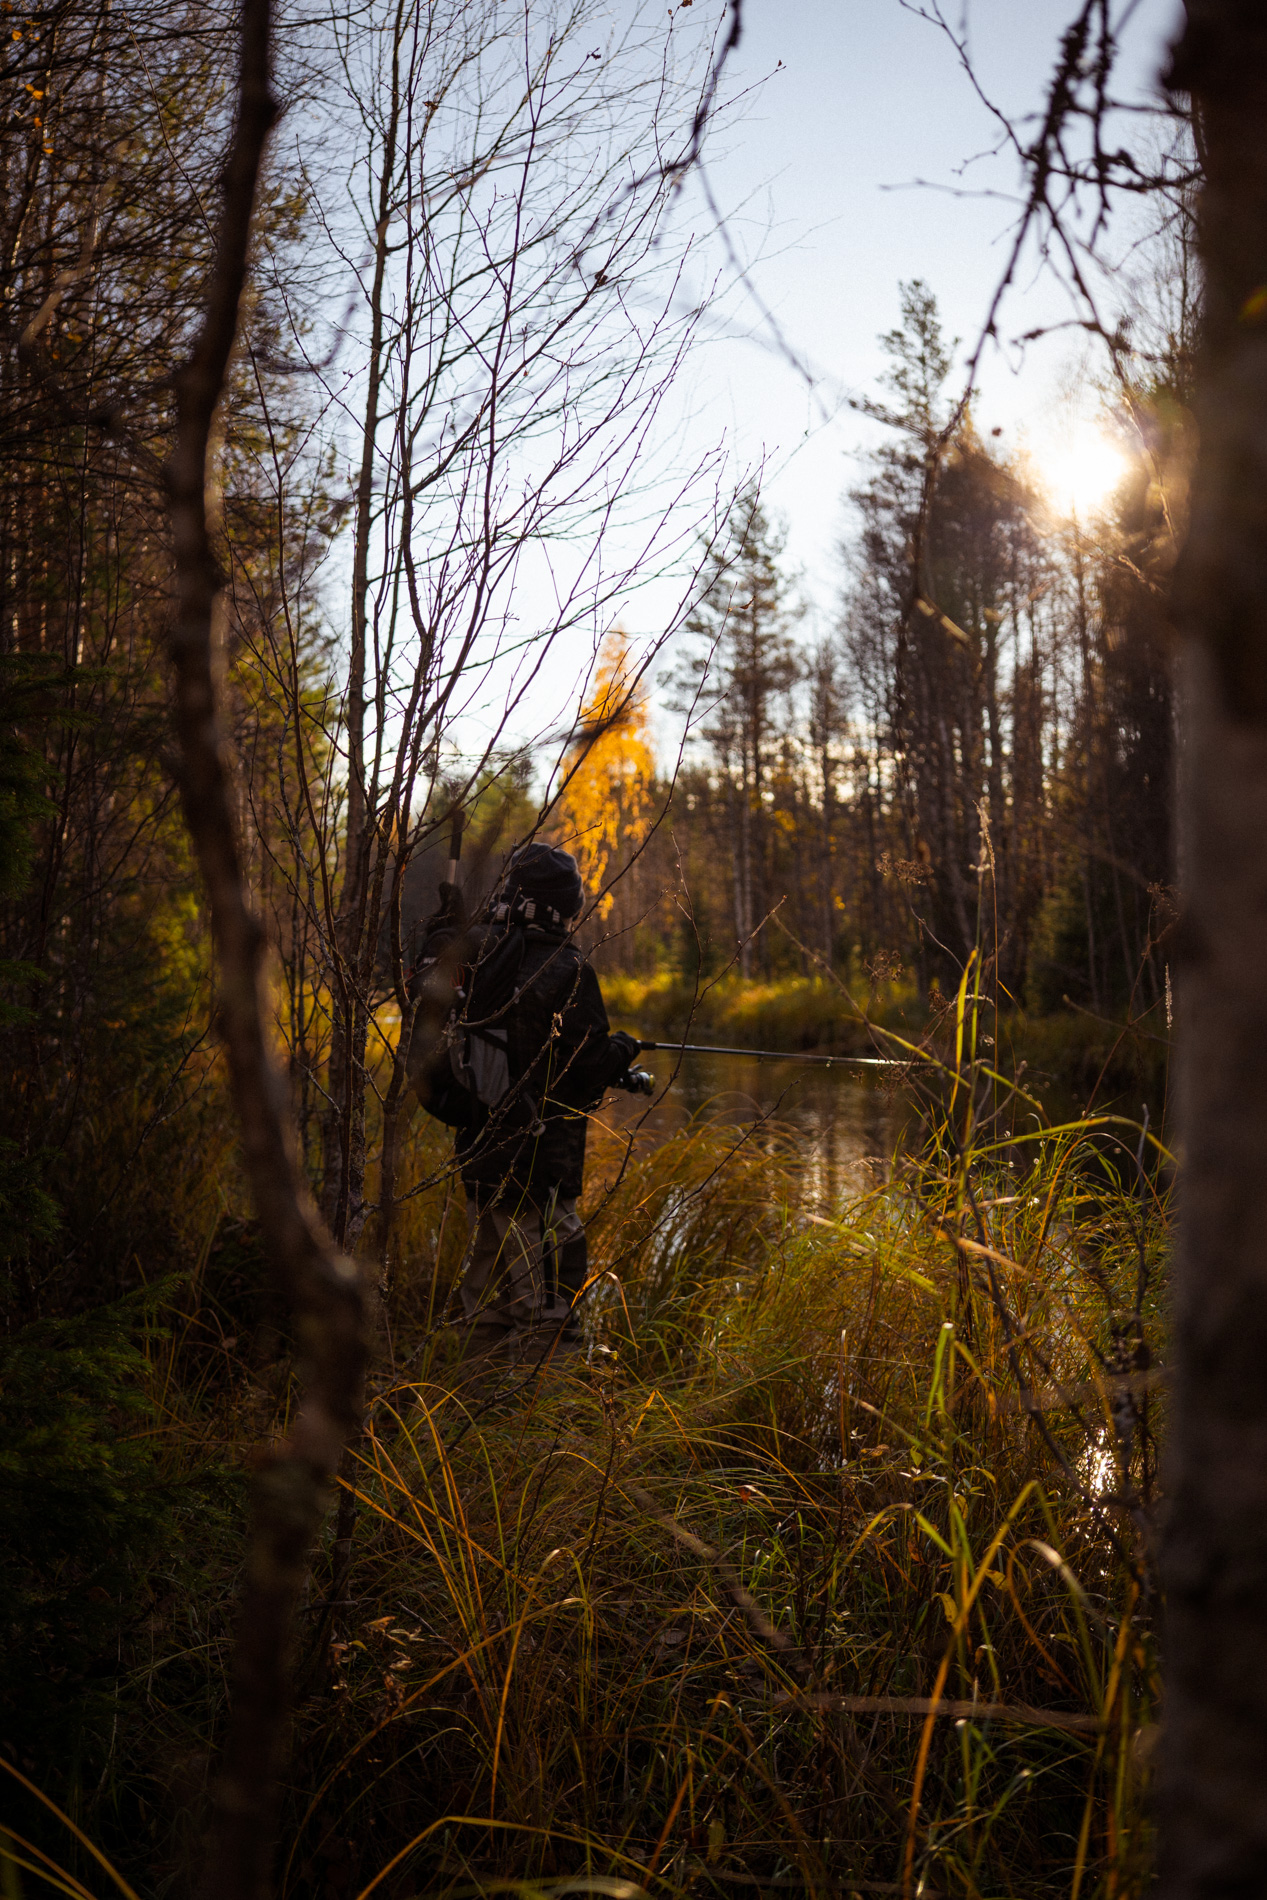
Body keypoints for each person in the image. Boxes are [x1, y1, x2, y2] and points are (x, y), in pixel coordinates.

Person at [407, 841, 651, 1360]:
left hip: (481, 1156)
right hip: (542, 1164)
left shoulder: (473, 953)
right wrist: (623, 1050)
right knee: (548, 1298)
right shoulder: (565, 967)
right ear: (565, 906)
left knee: (488, 1288)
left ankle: (472, 1404)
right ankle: (542, 1424)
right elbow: (585, 1066)